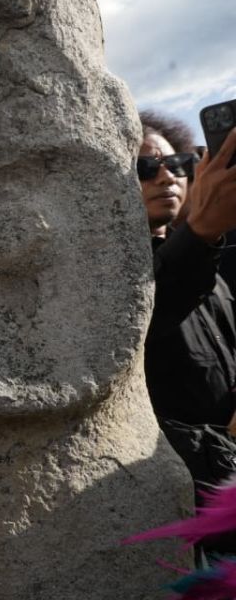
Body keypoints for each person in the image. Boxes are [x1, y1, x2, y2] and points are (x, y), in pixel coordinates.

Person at [140, 111, 236, 512]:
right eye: (145, 168)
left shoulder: (212, 271)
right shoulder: (106, 274)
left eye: (177, 164)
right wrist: (201, 231)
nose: (167, 177)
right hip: (182, 503)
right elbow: (149, 308)